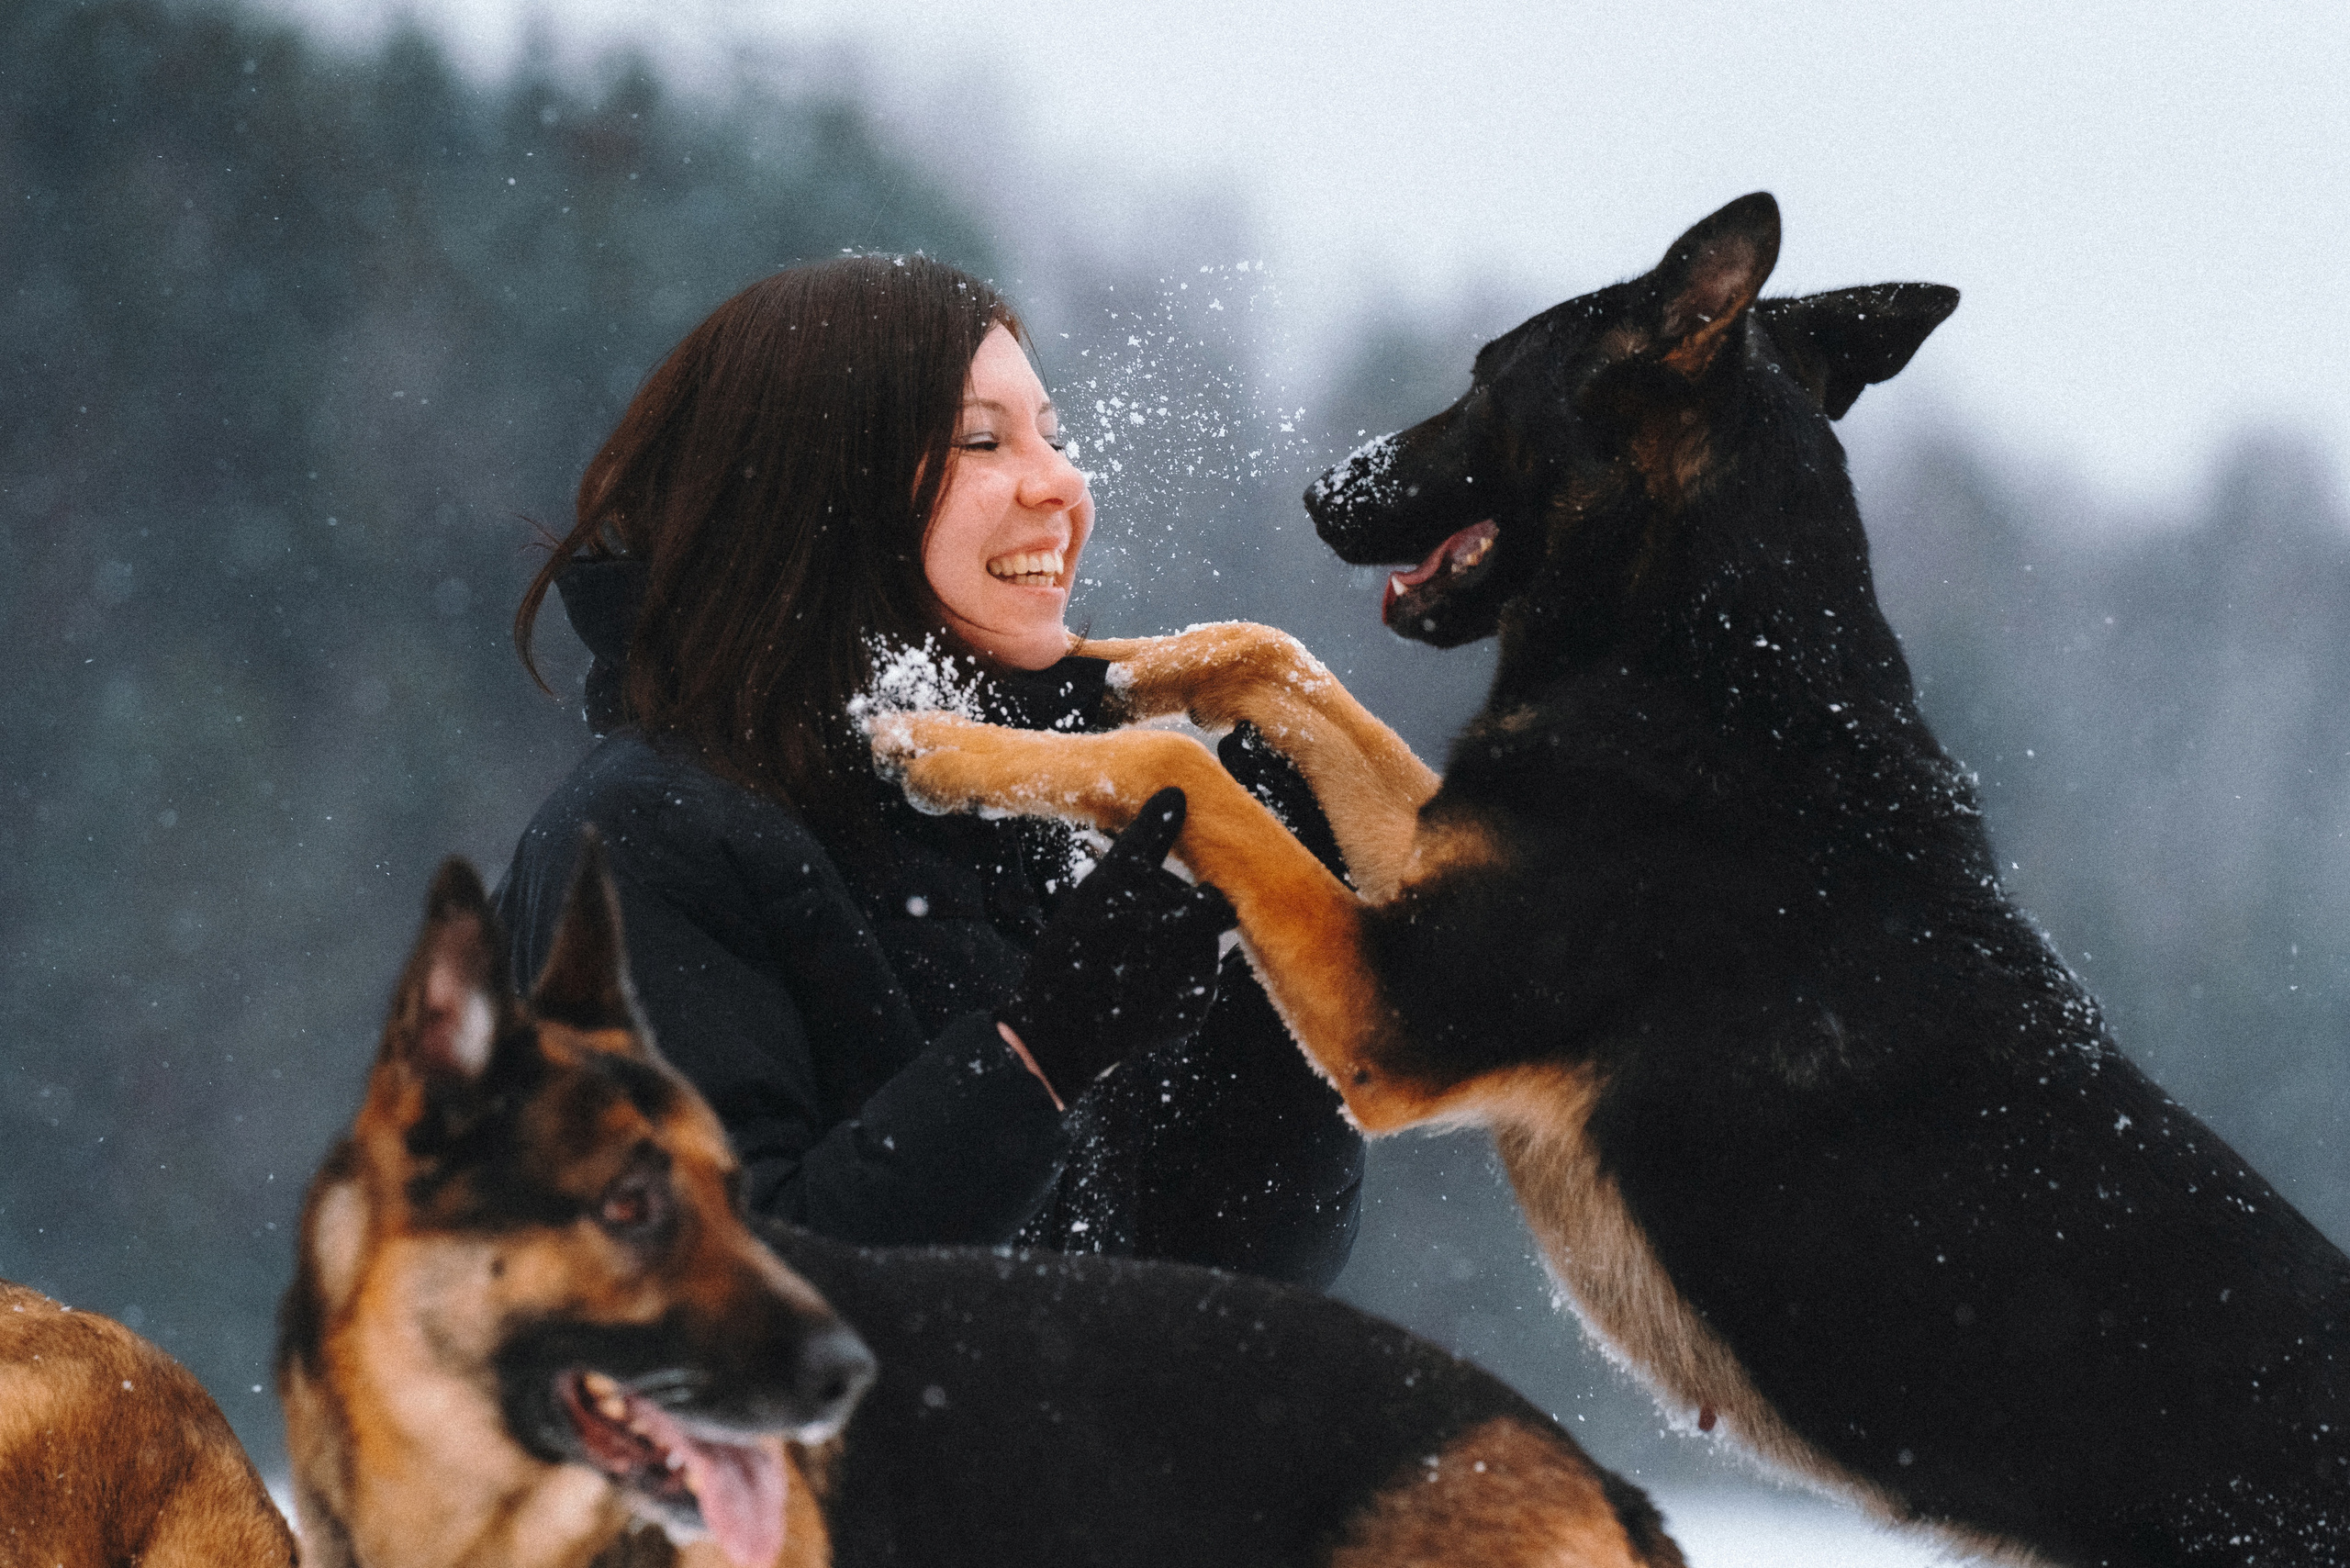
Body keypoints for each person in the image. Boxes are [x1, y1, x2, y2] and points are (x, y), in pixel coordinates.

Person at [495, 254, 1362, 1288]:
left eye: (1053, 436)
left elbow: (1218, 1288)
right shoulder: (646, 837)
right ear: (820, 497)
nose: (1063, 482)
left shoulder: (1030, 827)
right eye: (982, 441)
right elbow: (708, 1295)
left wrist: (1281, 973)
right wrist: (1033, 1059)